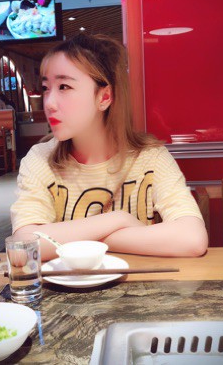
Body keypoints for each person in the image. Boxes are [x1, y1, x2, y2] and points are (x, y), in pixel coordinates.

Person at [11, 33, 208, 261]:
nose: (49, 103)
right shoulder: (40, 159)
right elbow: (22, 249)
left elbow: (192, 239)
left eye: (64, 86)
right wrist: (118, 219)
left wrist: (80, 239)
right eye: (46, 88)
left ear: (104, 97)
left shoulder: (150, 158)